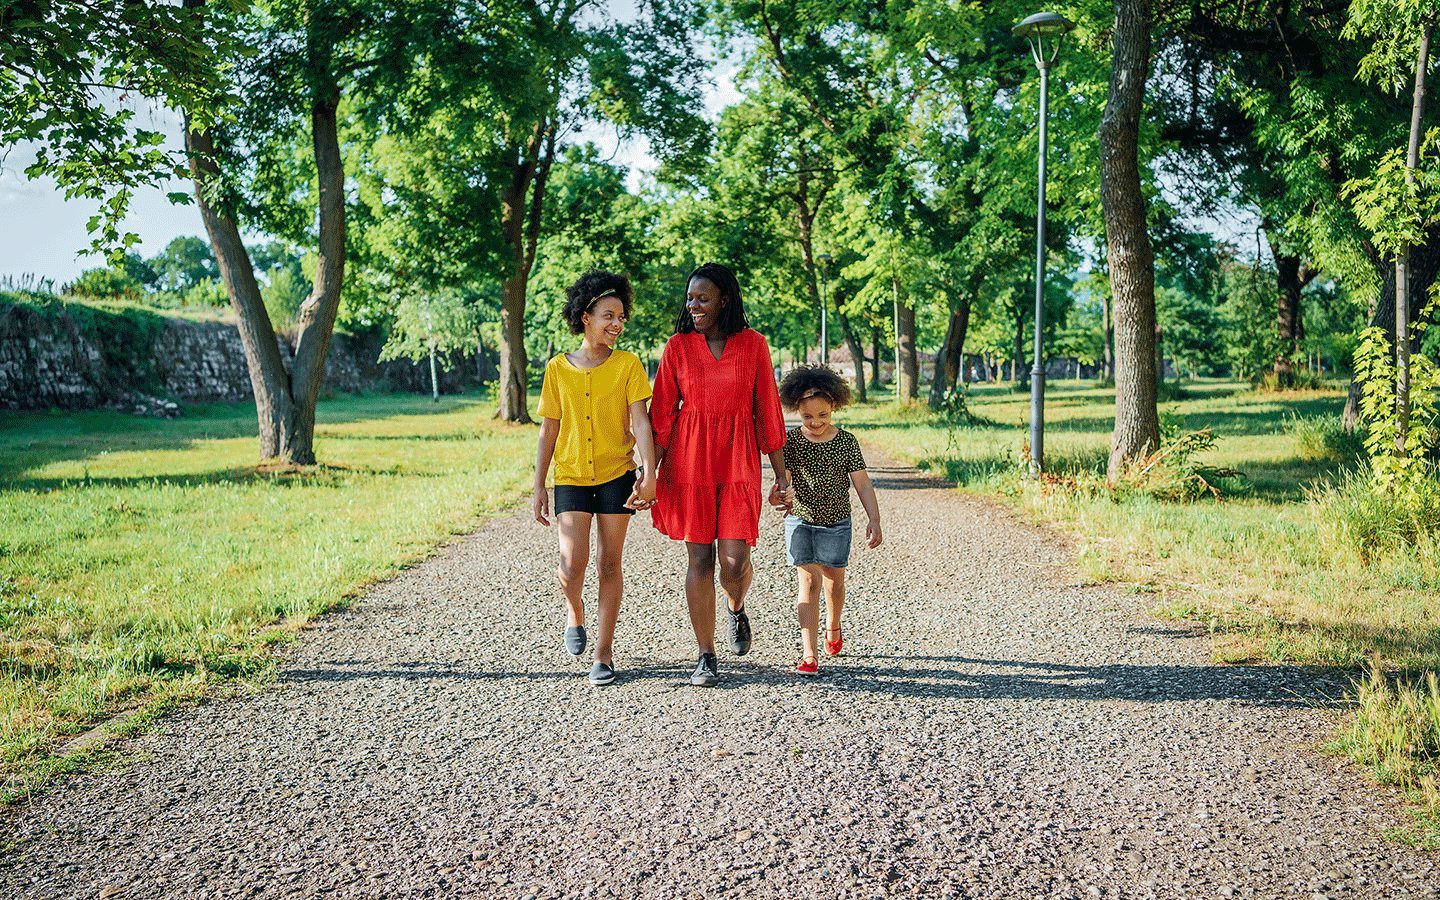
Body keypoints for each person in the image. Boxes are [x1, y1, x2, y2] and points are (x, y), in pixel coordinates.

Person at [650, 263, 789, 686]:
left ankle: (736, 607)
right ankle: (706, 654)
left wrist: (783, 479)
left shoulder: (754, 346)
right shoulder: (677, 347)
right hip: (689, 461)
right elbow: (661, 418)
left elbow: (768, 410)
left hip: (737, 462)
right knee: (699, 558)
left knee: (734, 561)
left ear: (725, 300)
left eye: (703, 298)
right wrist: (648, 474)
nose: (693, 305)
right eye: (690, 298)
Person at [533, 271, 657, 687]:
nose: (617, 324)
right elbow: (548, 429)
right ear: (585, 316)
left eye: (621, 316)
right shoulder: (557, 369)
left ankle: (603, 654)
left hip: (615, 475)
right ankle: (575, 612)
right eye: (608, 315)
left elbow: (641, 423)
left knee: (609, 563)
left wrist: (649, 471)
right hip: (570, 476)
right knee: (571, 564)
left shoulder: (627, 364)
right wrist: (538, 486)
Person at [771, 364, 882, 676]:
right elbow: (781, 483)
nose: (815, 423)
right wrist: (777, 496)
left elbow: (862, 483)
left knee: (834, 581)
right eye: (808, 417)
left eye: (822, 416)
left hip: (836, 521)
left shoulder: (846, 442)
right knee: (807, 582)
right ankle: (809, 653)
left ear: (834, 406)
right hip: (801, 520)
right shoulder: (790, 442)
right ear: (797, 410)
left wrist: (874, 519)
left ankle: (833, 625)